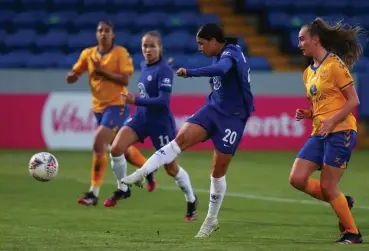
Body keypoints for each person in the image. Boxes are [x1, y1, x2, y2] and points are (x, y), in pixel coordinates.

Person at [121, 23, 255, 238]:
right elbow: (218, 79)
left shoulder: (231, 53)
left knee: (217, 172)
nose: (199, 48)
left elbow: (221, 70)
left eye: (202, 44)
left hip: (233, 120)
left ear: (213, 41)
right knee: (178, 141)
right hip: (213, 109)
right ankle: (141, 173)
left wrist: (191, 72)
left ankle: (211, 220)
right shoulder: (220, 54)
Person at [108, 30, 199, 220]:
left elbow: (163, 101)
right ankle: (123, 188)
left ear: (160, 48)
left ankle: (191, 199)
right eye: (145, 46)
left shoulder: (164, 70)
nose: (147, 50)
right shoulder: (146, 64)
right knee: (116, 148)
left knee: (171, 169)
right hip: (141, 118)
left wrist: (135, 100)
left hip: (160, 124)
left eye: (152, 46)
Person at [65, 21, 156, 206]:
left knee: (99, 143)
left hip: (118, 105)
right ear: (96, 34)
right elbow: (77, 71)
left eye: (107, 31)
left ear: (113, 35)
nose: (103, 34)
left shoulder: (120, 53)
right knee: (118, 146)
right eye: (100, 31)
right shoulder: (88, 54)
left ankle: (94, 193)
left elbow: (124, 78)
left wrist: (102, 72)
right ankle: (148, 169)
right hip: (98, 107)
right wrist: (73, 76)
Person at [290, 17, 363, 244]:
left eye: (302, 39)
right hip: (320, 132)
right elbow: (324, 102)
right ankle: (341, 201)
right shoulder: (308, 72)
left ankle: (353, 233)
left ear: (315, 39)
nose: (299, 43)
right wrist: (310, 113)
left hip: (341, 131)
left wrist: (331, 121)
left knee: (328, 186)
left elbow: (353, 101)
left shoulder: (335, 65)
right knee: (297, 178)